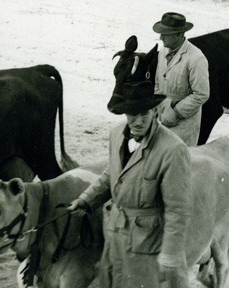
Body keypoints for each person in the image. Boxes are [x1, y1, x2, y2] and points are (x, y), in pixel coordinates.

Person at [67, 44, 191, 288]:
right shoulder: (116, 136)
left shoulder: (172, 150)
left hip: (148, 248)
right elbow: (112, 173)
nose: (137, 121)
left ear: (154, 112)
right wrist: (87, 199)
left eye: (143, 114)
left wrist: (170, 256)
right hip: (115, 239)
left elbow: (179, 211)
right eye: (131, 115)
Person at [151, 12, 211, 146]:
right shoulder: (162, 53)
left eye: (165, 34)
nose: (161, 37)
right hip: (162, 120)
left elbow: (201, 94)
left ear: (178, 34)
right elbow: (157, 83)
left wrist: (176, 112)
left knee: (179, 161)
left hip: (184, 124)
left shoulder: (196, 58)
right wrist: (156, 108)